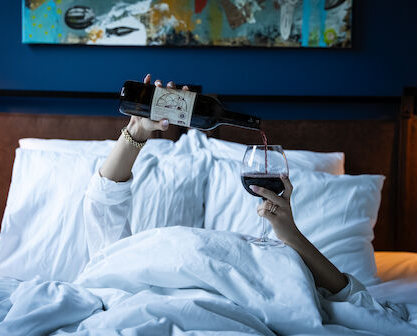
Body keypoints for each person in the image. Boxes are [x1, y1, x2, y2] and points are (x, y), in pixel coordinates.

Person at [87, 73, 348, 295]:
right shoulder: (126, 266)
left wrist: (288, 232)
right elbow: (104, 203)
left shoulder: (277, 260)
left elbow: (350, 296)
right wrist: (137, 131)